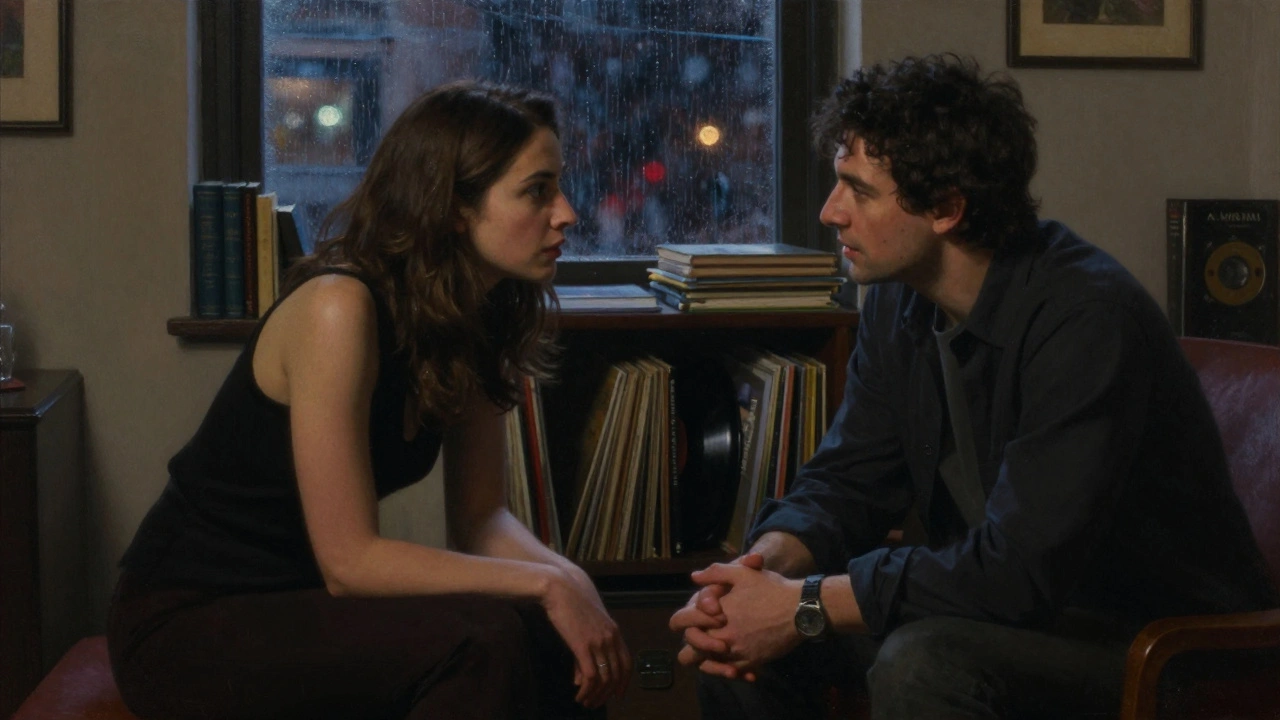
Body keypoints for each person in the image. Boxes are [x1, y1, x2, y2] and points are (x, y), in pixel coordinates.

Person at [670, 54, 1277, 720]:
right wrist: (762, 575)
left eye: (858, 190)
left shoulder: (1086, 317)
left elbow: (1020, 570)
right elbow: (848, 482)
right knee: (732, 649)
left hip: (1156, 641)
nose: (829, 212)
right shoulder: (900, 305)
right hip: (1012, 612)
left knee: (923, 664)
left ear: (946, 207)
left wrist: (807, 604)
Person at [108, 80, 631, 720]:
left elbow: (481, 519)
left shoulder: (476, 315)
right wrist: (547, 582)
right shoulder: (339, 307)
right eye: (537, 191)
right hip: (190, 619)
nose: (568, 213)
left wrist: (574, 585)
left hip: (304, 606)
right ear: (455, 207)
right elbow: (350, 562)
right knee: (479, 640)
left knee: (551, 637)